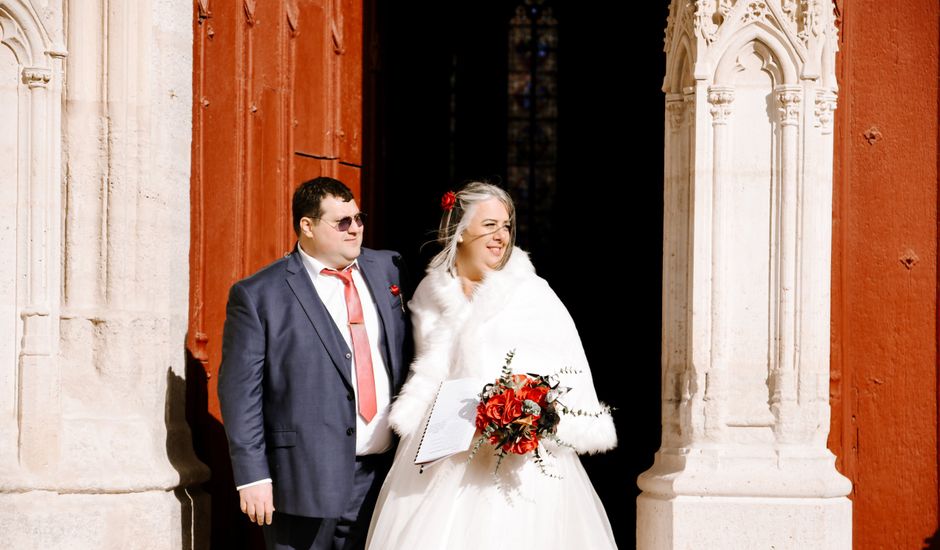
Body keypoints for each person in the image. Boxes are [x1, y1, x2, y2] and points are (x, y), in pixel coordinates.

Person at [365, 181, 618, 549]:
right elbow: (425, 372)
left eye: (506, 226)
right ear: (461, 231)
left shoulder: (532, 292)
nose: (501, 236)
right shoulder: (428, 294)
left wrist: (527, 409)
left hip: (519, 462)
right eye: (489, 226)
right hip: (443, 455)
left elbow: (566, 366)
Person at [218, 176, 412, 550]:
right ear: (306, 225)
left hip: (384, 476)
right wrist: (252, 477)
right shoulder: (259, 295)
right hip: (302, 481)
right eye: (342, 222)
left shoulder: (389, 268)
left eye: (359, 218)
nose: (355, 228)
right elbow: (240, 394)